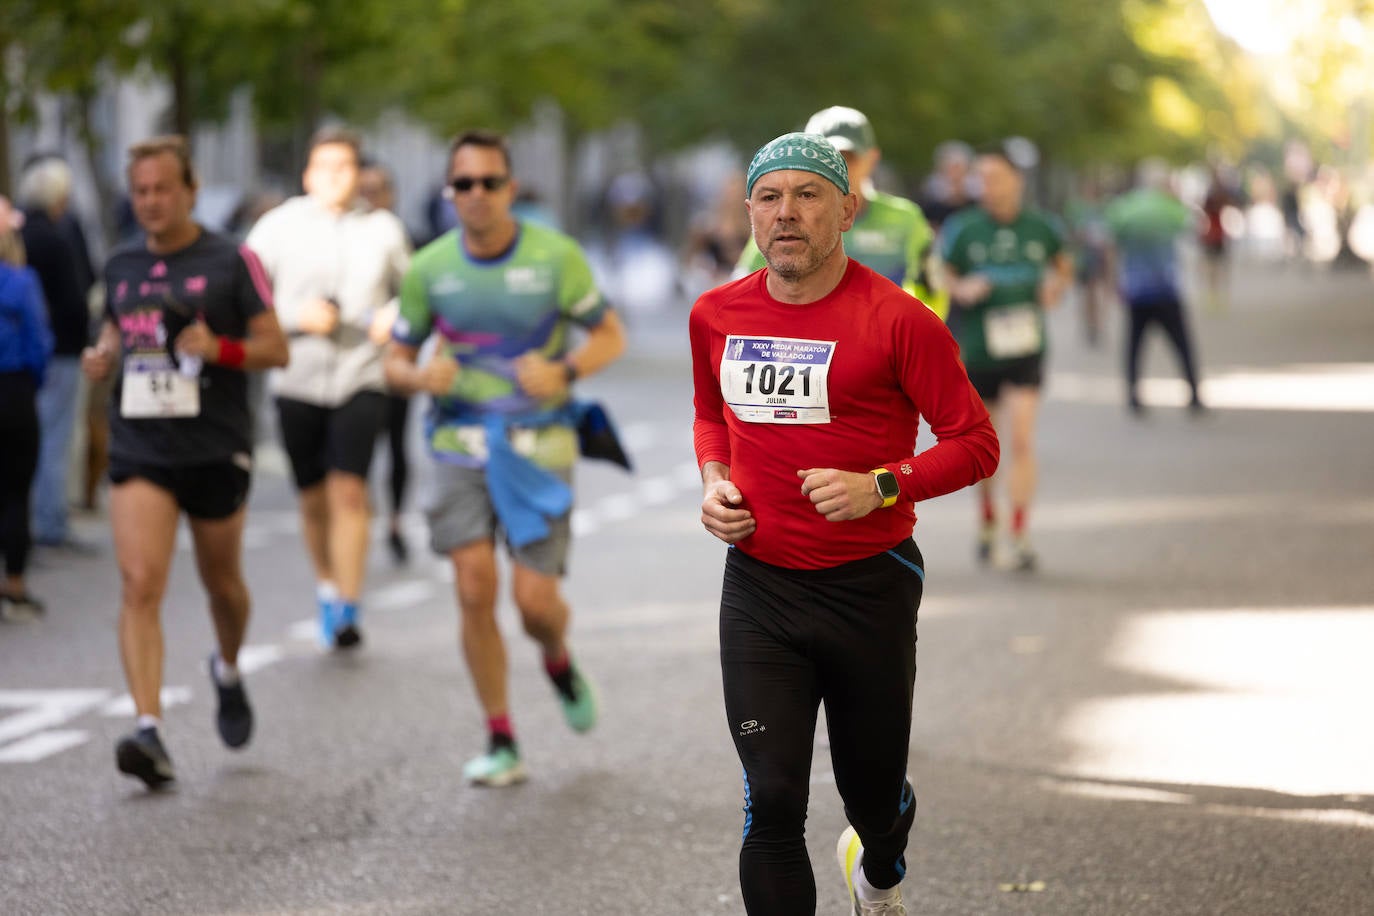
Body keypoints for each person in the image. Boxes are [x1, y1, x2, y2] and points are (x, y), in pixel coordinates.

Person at [691, 132, 998, 915]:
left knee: (872, 801)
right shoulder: (716, 315)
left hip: (870, 586)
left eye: (807, 194)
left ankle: (879, 867)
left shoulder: (898, 320)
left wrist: (883, 486)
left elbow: (976, 443)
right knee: (772, 800)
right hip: (759, 587)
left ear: (848, 209)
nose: (785, 213)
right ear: (749, 213)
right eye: (769, 196)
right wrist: (715, 482)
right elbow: (710, 414)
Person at [384, 129, 627, 787]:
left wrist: (565, 369)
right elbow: (396, 358)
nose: (478, 195)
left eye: (491, 182)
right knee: (472, 587)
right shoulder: (430, 268)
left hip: (538, 447)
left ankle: (556, 656)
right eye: (465, 184)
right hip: (457, 445)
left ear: (511, 190)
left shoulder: (554, 258)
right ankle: (501, 737)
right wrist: (416, 379)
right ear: (449, 193)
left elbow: (610, 334)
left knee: (534, 603)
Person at [81, 135, 289, 788]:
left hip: (214, 444)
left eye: (162, 189)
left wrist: (221, 347)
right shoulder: (119, 265)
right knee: (141, 582)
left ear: (190, 191)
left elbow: (275, 348)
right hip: (142, 444)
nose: (150, 202)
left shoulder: (233, 260)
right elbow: (113, 331)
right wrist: (102, 357)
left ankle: (227, 667)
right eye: (140, 191)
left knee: (222, 585)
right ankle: (148, 729)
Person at [245, 128, 411, 648]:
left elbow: (415, 297)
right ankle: (325, 583)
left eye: (345, 166)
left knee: (350, 489)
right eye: (325, 167)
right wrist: (297, 316)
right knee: (313, 496)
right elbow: (243, 293)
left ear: (360, 173)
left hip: (361, 374)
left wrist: (393, 318)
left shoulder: (384, 229)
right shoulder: (277, 227)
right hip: (296, 374)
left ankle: (348, 605)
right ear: (307, 174)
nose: (335, 177)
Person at [941, 144, 1072, 571]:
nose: (988, 186)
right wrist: (960, 289)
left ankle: (1019, 533)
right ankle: (988, 519)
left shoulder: (1040, 226)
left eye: (996, 177)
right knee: (986, 447)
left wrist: (1055, 287)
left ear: (1017, 180)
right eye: (982, 178)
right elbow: (943, 271)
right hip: (978, 350)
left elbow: (1064, 264)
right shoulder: (964, 227)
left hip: (1025, 348)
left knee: (1020, 440)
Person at [736, 107, 947, 319]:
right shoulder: (785, 221)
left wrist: (899, 332)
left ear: (872, 159)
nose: (838, 169)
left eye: (849, 158)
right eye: (825, 160)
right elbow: (742, 288)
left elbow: (933, 290)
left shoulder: (905, 219)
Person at [17, 156, 95, 551]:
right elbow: (73, 300)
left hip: (23, 359)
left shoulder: (19, 234)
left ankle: (32, 520)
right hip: (58, 350)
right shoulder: (54, 235)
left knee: (35, 437)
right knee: (53, 438)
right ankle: (50, 521)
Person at [1105, 158, 1204, 415]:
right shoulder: (1170, 207)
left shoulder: (1124, 208)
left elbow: (1111, 244)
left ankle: (1134, 397)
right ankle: (1194, 395)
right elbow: (1191, 232)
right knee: (1182, 344)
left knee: (1134, 345)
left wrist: (1112, 282)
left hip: (1136, 288)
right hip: (1166, 286)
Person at [0, 195, 53, 621]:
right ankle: (14, 583)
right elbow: (39, 344)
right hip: (14, 390)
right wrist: (31, 382)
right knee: (16, 492)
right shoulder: (21, 281)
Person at [358, 159, 414, 564]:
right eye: (365, 189)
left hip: (392, 360)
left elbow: (415, 295)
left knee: (396, 445)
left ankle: (394, 520)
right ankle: (361, 517)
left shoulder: (398, 236)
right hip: (354, 367)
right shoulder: (343, 238)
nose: (370, 198)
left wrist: (394, 316)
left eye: (378, 189)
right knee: (356, 451)